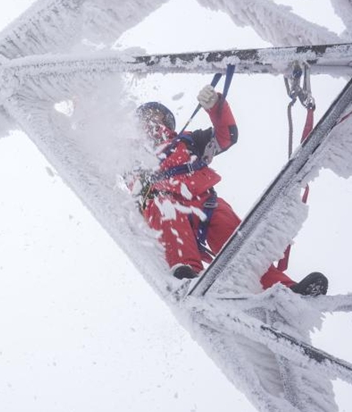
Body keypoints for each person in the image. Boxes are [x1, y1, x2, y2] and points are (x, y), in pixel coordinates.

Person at [132, 86, 328, 296]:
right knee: (168, 214)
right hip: (162, 200)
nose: (151, 120)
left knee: (239, 243)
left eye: (155, 115)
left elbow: (226, 136)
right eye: (145, 117)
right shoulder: (130, 155)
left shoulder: (187, 140)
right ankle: (188, 277)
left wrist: (217, 106)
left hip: (205, 201)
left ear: (166, 121)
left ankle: (285, 289)